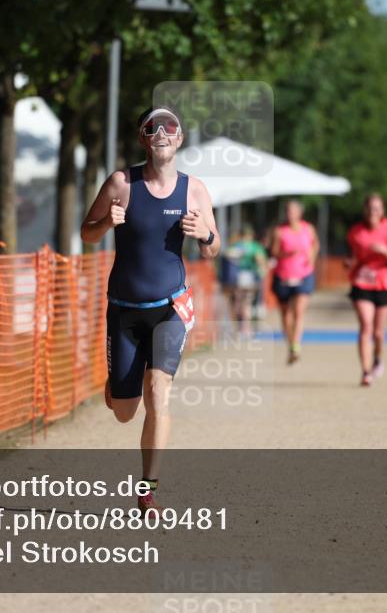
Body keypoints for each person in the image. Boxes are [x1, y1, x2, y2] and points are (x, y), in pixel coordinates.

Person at [80, 106, 220, 516]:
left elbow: (213, 249)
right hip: (123, 310)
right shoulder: (122, 183)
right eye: (151, 127)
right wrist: (107, 221)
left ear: (179, 140)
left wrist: (205, 234)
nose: (161, 132)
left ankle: (147, 490)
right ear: (143, 138)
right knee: (125, 411)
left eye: (169, 126)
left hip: (170, 307)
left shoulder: (194, 190)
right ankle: (117, 388)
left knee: (158, 392)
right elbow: (86, 233)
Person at [346, 194, 387, 386]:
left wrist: (384, 251)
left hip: (385, 283)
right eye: (370, 208)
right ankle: (365, 371)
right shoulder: (356, 232)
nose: (373, 212)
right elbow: (352, 256)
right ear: (365, 210)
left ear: (383, 211)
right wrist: (349, 263)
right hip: (362, 282)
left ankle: (378, 358)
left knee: (378, 332)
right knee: (366, 326)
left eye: (377, 209)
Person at [269, 199, 319, 364]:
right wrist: (287, 254)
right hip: (283, 276)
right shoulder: (279, 231)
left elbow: (315, 245)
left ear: (299, 213)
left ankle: (296, 345)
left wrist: (311, 258)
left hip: (304, 275)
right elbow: (274, 252)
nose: (290, 214)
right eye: (287, 211)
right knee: (286, 314)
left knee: (299, 311)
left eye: (293, 211)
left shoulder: (308, 229)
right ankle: (290, 344)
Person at [225, 226, 268, 335]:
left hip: (235, 279)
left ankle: (239, 327)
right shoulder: (255, 247)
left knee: (238, 303)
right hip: (249, 278)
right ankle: (245, 327)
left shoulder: (236, 246)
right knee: (246, 303)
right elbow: (261, 261)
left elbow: (227, 257)